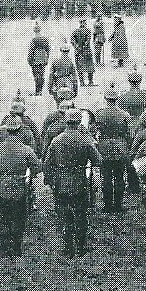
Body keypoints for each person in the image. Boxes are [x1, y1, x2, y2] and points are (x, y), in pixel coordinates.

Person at [44, 108, 102, 257]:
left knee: (65, 216)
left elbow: (47, 164)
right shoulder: (86, 140)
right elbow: (99, 161)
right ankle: (81, 247)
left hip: (61, 182)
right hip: (79, 182)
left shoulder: (56, 141)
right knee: (81, 215)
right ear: (78, 122)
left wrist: (51, 181)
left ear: (66, 121)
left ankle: (68, 248)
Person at [0, 115, 41, 257]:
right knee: (18, 218)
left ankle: (5, 248)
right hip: (20, 189)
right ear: (19, 130)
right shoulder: (26, 150)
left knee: (3, 218)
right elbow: (37, 167)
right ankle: (16, 248)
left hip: (2, 188)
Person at [95, 82, 132, 213]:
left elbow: (94, 132)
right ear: (117, 99)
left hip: (104, 148)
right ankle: (118, 205)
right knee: (119, 177)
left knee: (105, 177)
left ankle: (107, 205)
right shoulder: (124, 115)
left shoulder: (99, 114)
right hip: (120, 148)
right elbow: (129, 134)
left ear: (105, 98)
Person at [71, 19, 96, 87]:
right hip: (86, 51)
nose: (85, 24)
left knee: (79, 67)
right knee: (89, 67)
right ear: (82, 23)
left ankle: (82, 82)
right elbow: (88, 41)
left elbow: (72, 40)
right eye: (84, 22)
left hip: (78, 52)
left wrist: (77, 47)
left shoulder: (75, 31)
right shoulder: (87, 31)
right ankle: (90, 81)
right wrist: (84, 46)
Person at [27, 21, 50, 96]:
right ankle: (40, 90)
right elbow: (48, 50)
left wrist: (29, 60)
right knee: (41, 74)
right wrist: (46, 59)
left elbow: (31, 51)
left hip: (35, 60)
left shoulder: (34, 40)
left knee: (36, 75)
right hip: (43, 59)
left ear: (34, 31)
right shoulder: (45, 39)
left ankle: (37, 90)